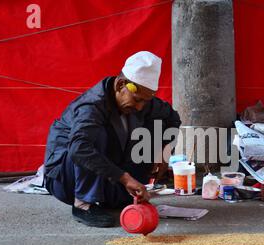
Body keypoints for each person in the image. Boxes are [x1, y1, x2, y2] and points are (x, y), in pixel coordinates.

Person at [43, 51, 181, 227]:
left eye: (144, 102)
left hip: (107, 175)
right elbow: (79, 149)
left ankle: (122, 196)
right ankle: (83, 204)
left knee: (154, 126)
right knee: (93, 137)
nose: (140, 107)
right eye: (137, 100)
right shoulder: (92, 106)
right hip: (65, 179)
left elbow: (173, 120)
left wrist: (163, 153)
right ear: (121, 85)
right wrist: (124, 178)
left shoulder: (143, 102)